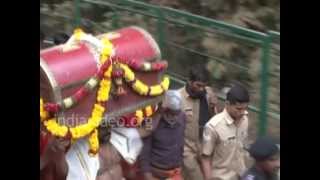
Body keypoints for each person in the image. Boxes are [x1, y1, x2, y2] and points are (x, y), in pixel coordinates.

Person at [178, 64, 219, 180]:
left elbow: (214, 118)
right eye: (198, 85)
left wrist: (213, 106)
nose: (201, 89)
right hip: (187, 149)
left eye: (204, 86)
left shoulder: (208, 93)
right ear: (189, 81)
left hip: (205, 145)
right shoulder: (178, 98)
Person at [201, 83, 250, 180]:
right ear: (227, 104)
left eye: (245, 108)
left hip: (241, 174)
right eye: (238, 109)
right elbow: (205, 158)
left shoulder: (245, 120)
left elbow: (241, 148)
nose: (242, 112)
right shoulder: (213, 127)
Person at [139, 90, 187, 180]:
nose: (174, 118)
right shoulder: (150, 122)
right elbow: (144, 152)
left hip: (175, 172)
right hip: (155, 174)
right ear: (163, 110)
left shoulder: (182, 117)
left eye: (177, 114)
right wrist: (147, 175)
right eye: (171, 114)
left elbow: (180, 143)